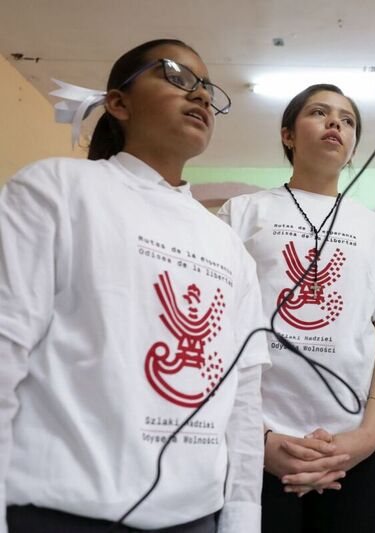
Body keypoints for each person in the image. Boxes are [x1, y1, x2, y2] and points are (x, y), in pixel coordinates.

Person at [0, 39, 269, 532]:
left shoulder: (228, 245)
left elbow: (244, 398)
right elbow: (5, 346)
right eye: (177, 76)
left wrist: (242, 518)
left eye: (208, 89)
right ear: (118, 103)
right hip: (60, 513)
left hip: (196, 517)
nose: (201, 95)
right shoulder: (55, 189)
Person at [218, 84, 375, 533]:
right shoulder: (242, 213)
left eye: (347, 120)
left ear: (353, 147)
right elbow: (219, 327)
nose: (335, 124)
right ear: (287, 135)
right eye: (319, 113)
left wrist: (369, 435)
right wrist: (258, 437)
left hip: (355, 446)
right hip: (258, 438)